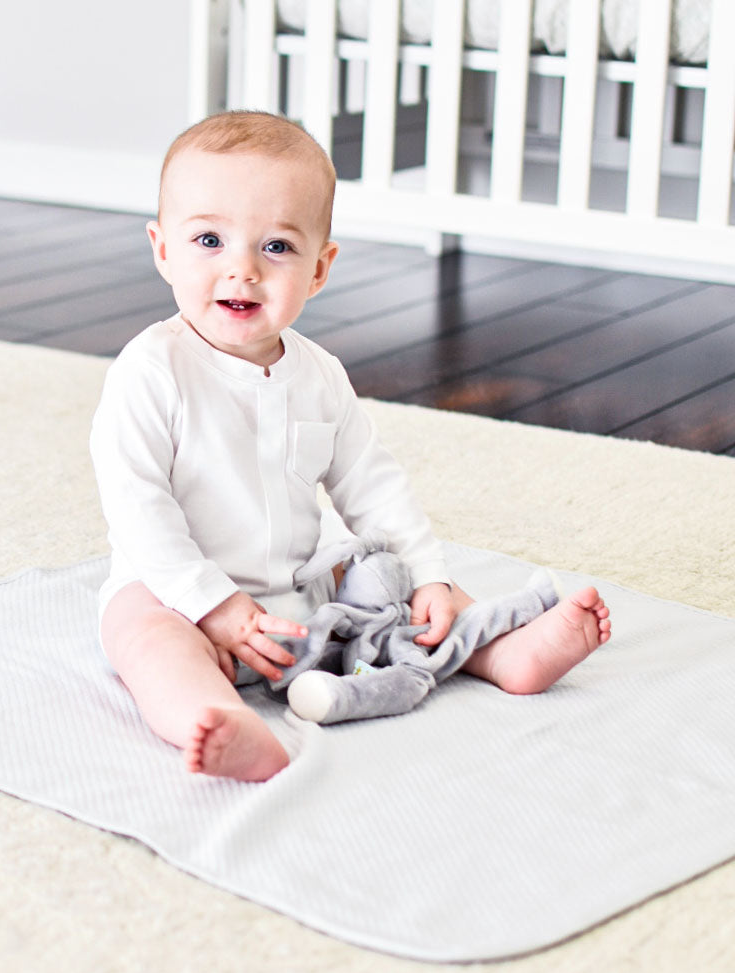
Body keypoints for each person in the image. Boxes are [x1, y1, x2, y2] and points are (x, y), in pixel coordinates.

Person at [89, 111, 611, 782]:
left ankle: (497, 652)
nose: (241, 269)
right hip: (175, 594)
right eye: (210, 240)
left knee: (401, 596)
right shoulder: (151, 369)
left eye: (276, 247)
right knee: (144, 638)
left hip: (301, 598)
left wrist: (429, 577)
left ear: (320, 268)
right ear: (163, 250)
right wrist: (211, 606)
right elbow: (136, 506)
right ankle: (218, 719)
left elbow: (371, 485)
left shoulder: (320, 375)